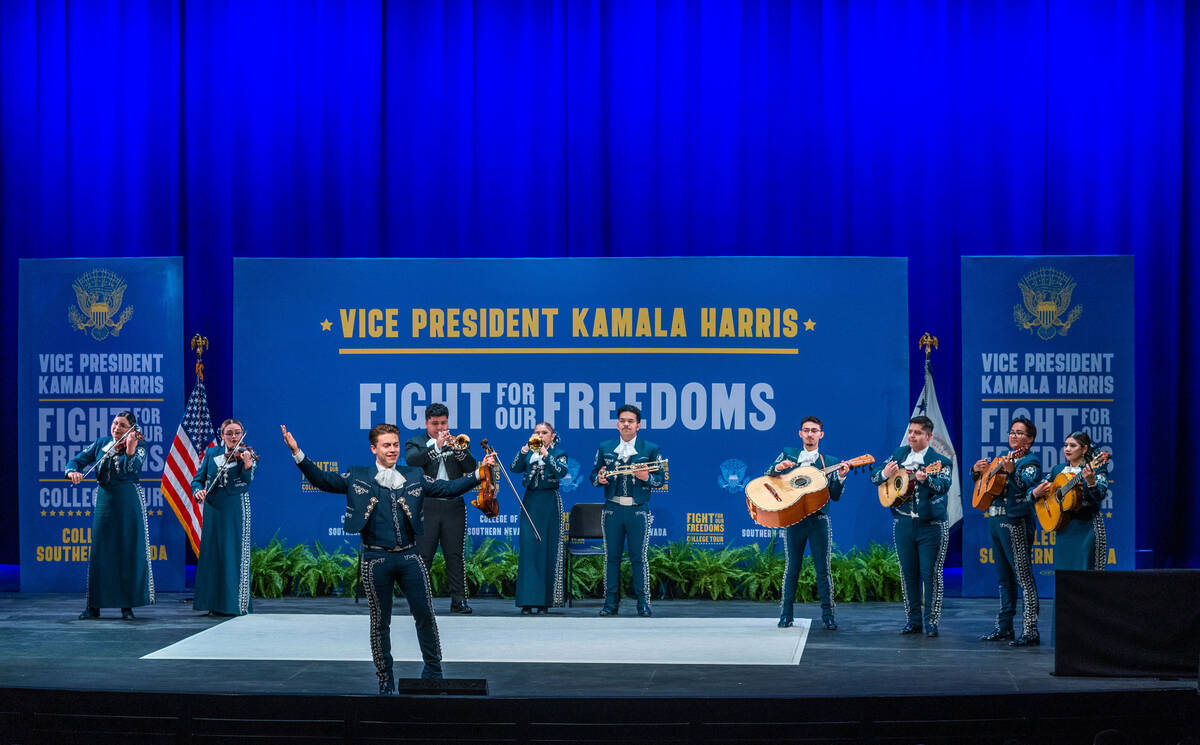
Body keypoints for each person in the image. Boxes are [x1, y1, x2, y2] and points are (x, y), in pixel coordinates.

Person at [282, 422, 496, 693]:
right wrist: (298, 453)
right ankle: (385, 678)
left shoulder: (414, 474)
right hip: (375, 559)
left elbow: (447, 489)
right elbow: (324, 480)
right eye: (386, 445)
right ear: (374, 448)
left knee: (425, 615)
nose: (393, 449)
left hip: (409, 556)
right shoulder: (358, 475)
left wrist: (479, 472)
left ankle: (434, 672)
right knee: (380, 621)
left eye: (395, 444)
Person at [66, 411, 154, 620]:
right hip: (105, 500)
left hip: (128, 500)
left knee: (127, 551)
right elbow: (77, 460)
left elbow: (128, 470)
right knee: (100, 552)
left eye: (122, 425)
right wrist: (72, 472)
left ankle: (127, 606)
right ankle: (94, 606)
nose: (116, 428)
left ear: (131, 429)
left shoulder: (139, 445)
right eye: (115, 423)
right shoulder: (101, 443)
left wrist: (130, 448)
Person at [870, 416, 952, 637]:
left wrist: (926, 480)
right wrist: (885, 474)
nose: (912, 436)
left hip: (931, 525)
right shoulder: (899, 455)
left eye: (917, 432)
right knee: (908, 574)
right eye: (911, 432)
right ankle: (913, 620)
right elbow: (875, 477)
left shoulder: (941, 461)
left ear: (928, 436)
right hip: (903, 523)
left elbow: (943, 486)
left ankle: (931, 622)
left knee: (931, 574)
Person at [767, 416, 851, 630]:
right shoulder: (788, 454)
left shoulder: (829, 461)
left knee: (823, 569)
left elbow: (835, 495)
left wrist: (840, 478)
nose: (810, 434)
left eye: (814, 430)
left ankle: (828, 616)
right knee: (792, 568)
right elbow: (767, 476)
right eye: (806, 430)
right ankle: (786, 615)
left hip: (819, 520)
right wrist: (779, 469)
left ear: (821, 434)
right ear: (800, 433)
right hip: (794, 519)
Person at [971, 416, 1042, 647]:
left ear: (1030, 440)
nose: (1014, 435)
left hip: (1016, 522)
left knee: (1023, 576)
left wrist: (1012, 472)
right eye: (1012, 432)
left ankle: (1031, 630)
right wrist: (976, 471)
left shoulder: (1030, 462)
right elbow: (988, 486)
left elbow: (1027, 486)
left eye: (1020, 433)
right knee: (1004, 578)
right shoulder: (1003, 458)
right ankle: (1004, 627)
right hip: (995, 520)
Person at [589, 404, 665, 617]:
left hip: (637, 509)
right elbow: (593, 476)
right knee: (611, 558)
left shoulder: (650, 448)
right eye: (622, 420)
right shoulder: (605, 447)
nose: (626, 424)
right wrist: (600, 479)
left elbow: (660, 480)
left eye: (630, 421)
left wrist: (646, 478)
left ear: (638, 425)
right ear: (617, 424)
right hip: (612, 508)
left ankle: (643, 603)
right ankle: (610, 604)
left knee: (638, 558)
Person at [405, 403, 478, 614]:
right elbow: (412, 461)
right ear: (426, 423)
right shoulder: (416, 443)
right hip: (426, 506)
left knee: (454, 555)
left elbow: (471, 468)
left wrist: (458, 450)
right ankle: (421, 602)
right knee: (424, 555)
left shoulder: (458, 441)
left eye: (443, 423)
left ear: (448, 422)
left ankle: (459, 601)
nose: (440, 427)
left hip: (453, 505)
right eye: (435, 423)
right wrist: (436, 446)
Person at [191, 418, 256, 616]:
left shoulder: (247, 454)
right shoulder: (212, 453)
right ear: (222, 435)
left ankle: (235, 604)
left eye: (237, 432)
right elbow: (198, 479)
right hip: (213, 509)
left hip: (235, 507)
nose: (234, 437)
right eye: (229, 433)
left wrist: (246, 465)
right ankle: (213, 603)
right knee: (213, 554)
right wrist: (198, 492)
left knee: (233, 553)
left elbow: (247, 482)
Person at [510, 422, 568, 615]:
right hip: (530, 502)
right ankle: (527, 601)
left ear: (552, 436)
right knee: (529, 550)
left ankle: (544, 602)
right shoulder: (529, 453)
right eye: (537, 432)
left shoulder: (558, 454)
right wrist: (525, 449)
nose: (540, 435)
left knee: (546, 549)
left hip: (549, 503)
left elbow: (561, 472)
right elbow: (514, 468)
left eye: (545, 432)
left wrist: (546, 453)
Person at [1031, 430, 1108, 572]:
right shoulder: (1058, 470)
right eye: (1066, 445)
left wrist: (1091, 483)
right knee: (1064, 578)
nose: (1067, 449)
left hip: (1087, 527)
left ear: (1084, 449)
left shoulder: (1095, 467)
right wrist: (1037, 493)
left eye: (1073, 446)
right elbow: (1040, 492)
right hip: (1063, 528)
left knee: (1086, 576)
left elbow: (1100, 495)